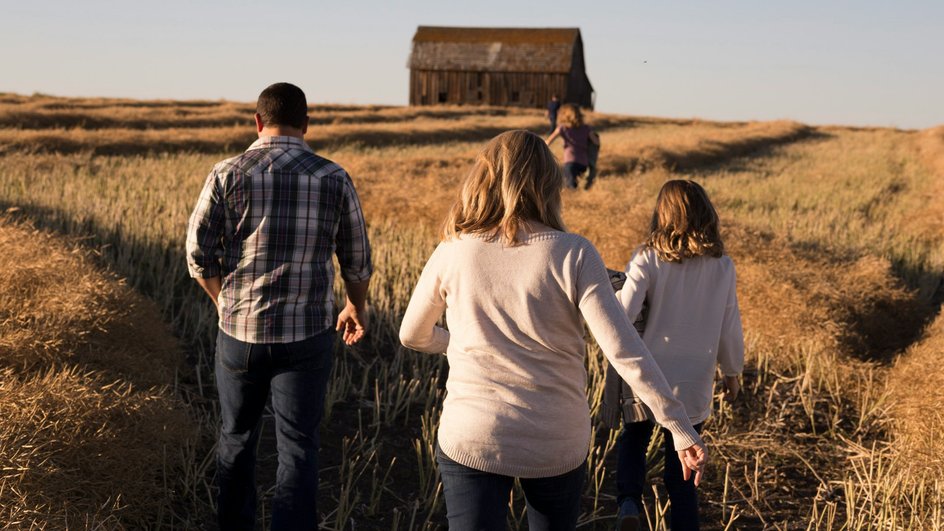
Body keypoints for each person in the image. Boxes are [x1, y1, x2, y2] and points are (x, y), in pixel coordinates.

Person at [399, 131, 707, 531]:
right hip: (555, 440)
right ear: (549, 181)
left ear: (483, 178)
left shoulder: (453, 249)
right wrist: (679, 427)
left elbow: (412, 334)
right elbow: (623, 349)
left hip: (473, 435)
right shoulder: (574, 252)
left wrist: (462, 343)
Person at [186, 82, 372, 530]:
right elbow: (357, 261)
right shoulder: (333, 177)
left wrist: (222, 302)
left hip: (240, 334)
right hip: (307, 336)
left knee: (235, 439)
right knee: (299, 445)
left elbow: (197, 254)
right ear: (306, 125)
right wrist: (354, 307)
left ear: (257, 122)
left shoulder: (226, 173)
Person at [604, 179, 744, 531]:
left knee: (634, 439)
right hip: (695, 377)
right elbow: (730, 323)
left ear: (661, 215)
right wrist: (731, 370)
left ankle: (629, 504)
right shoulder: (722, 265)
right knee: (682, 468)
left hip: (649, 372)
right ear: (706, 213)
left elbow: (623, 312)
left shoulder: (648, 257)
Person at [546, 104, 601, 190]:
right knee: (580, 187)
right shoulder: (586, 128)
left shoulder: (562, 128)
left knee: (570, 189)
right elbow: (596, 142)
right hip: (583, 163)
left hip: (570, 162)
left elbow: (548, 142)